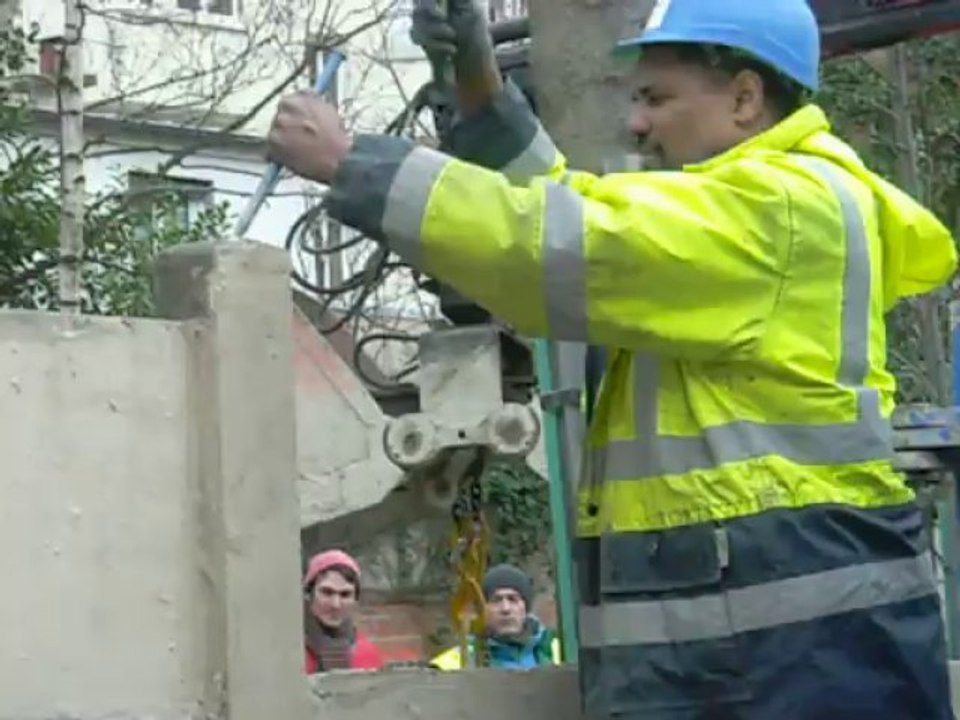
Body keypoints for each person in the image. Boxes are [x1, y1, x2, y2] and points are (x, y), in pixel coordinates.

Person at [266, 0, 958, 716]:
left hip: (788, 658)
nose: (637, 123)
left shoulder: (782, 207)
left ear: (746, 97)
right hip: (771, 648)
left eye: (657, 98)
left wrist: (354, 165)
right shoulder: (745, 210)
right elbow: (578, 212)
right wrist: (480, 89)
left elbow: (563, 245)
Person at [431, 563, 561, 670]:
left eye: (513, 599)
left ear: (525, 607)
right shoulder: (453, 664)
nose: (505, 609)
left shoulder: (558, 652)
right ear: (482, 609)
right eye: (496, 600)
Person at [302, 549, 384, 673]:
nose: (336, 604)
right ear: (309, 593)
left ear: (355, 599)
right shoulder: (287, 652)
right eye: (327, 592)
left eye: (345, 594)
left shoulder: (367, 654)